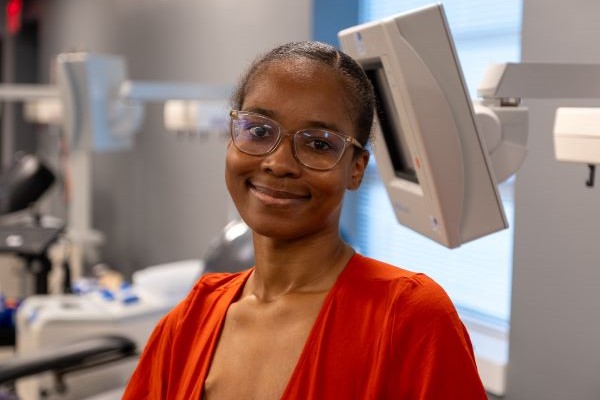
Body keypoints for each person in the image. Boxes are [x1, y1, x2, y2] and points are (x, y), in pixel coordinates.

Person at [122, 41, 487, 400]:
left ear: (356, 169)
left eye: (319, 143)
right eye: (260, 131)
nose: (279, 164)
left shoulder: (409, 318)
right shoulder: (189, 322)